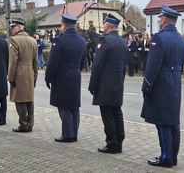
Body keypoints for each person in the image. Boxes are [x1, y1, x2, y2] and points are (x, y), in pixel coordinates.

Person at [141, 5, 184, 168]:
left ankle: (166, 157)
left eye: (160, 18)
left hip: (161, 83)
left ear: (165, 20)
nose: (159, 21)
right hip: (175, 82)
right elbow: (182, 62)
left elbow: (152, 66)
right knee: (173, 122)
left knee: (162, 122)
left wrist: (146, 87)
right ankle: (173, 157)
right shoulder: (181, 38)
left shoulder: (159, 38)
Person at [88, 13, 128, 154]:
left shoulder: (104, 41)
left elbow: (97, 65)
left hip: (105, 84)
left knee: (108, 115)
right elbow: (124, 66)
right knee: (117, 113)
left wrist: (92, 86)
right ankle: (119, 143)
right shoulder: (123, 42)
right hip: (118, 83)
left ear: (107, 25)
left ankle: (111, 143)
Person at [45, 14, 87, 142]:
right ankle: (74, 133)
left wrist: (48, 77)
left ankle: (68, 134)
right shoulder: (82, 40)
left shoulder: (59, 40)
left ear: (63, 25)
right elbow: (83, 62)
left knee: (63, 106)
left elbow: (52, 62)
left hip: (62, 75)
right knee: (74, 106)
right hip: (75, 74)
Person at [8, 19, 38, 132]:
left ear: (20, 27)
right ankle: (30, 123)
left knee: (20, 100)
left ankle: (23, 124)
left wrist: (10, 77)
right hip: (30, 71)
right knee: (29, 99)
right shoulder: (32, 40)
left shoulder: (14, 40)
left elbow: (13, 61)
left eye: (13, 27)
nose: (11, 29)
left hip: (19, 72)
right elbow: (35, 61)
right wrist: (35, 76)